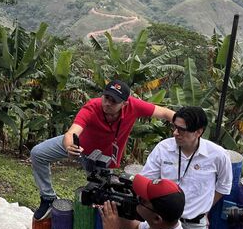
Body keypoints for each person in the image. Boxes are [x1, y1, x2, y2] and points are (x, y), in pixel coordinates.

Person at [30, 79, 175, 220]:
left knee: (101, 196)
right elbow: (72, 132)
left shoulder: (134, 106)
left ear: (125, 103)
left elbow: (164, 113)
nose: (107, 103)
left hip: (103, 158)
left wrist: (184, 124)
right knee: (38, 154)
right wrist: (70, 147)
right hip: (79, 147)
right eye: (106, 97)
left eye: (114, 101)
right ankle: (48, 198)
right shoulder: (92, 106)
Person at [140, 106, 232, 229]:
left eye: (182, 129)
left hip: (195, 225)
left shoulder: (218, 155)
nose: (175, 133)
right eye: (175, 127)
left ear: (198, 132)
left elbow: (223, 187)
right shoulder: (163, 148)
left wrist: (205, 209)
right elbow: (147, 181)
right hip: (161, 221)